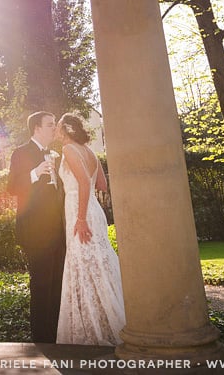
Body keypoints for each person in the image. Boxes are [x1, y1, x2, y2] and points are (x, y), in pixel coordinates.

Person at [55, 113, 126, 346]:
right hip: (94, 210)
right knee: (98, 261)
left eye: (58, 128)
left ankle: (95, 329)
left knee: (83, 263)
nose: (56, 132)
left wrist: (82, 218)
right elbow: (102, 185)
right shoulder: (90, 152)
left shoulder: (68, 150)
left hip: (81, 211)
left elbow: (85, 183)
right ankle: (111, 318)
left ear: (66, 130)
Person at [6, 111, 66, 343]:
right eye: (50, 125)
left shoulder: (57, 155)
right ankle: (42, 340)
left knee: (57, 284)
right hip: (34, 232)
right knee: (40, 285)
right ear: (37, 128)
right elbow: (11, 188)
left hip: (58, 231)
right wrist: (34, 173)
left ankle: (57, 335)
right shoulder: (20, 153)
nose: (54, 129)